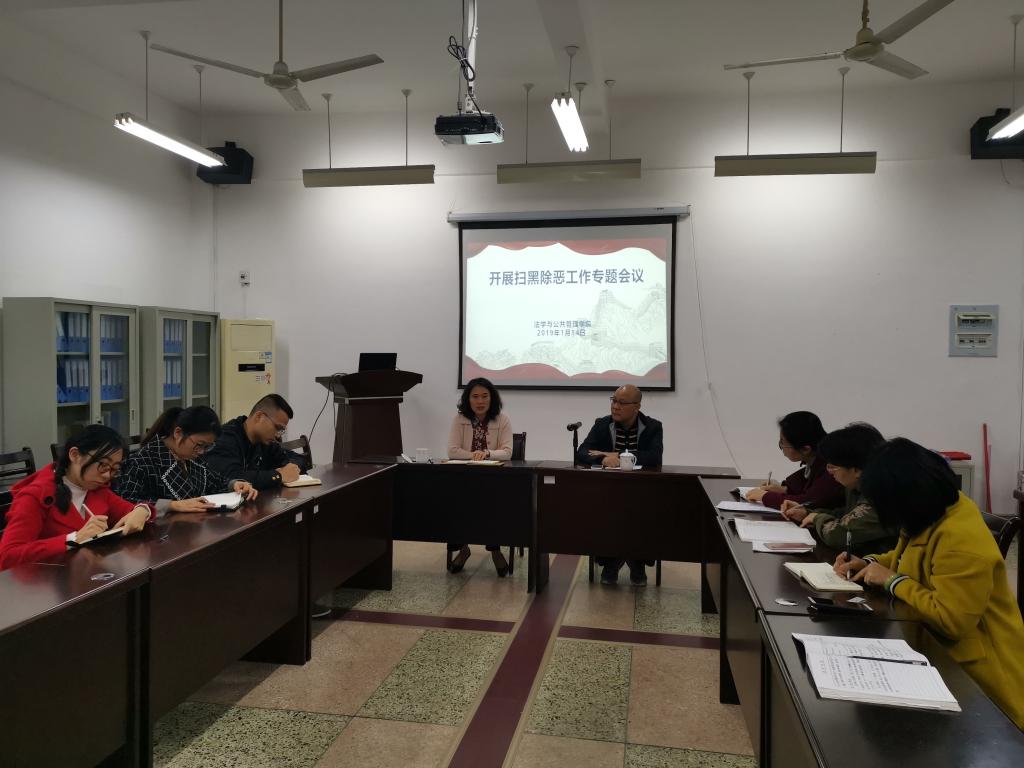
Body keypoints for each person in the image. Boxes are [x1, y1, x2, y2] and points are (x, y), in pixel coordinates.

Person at [834, 438, 1024, 729]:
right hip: (932, 646)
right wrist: (869, 562)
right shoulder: (931, 513)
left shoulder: (960, 539)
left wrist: (893, 581)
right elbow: (910, 558)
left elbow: (951, 620)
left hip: (979, 680)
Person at [0, 425, 153, 570]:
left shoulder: (96, 489)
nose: (107, 475)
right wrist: (73, 539)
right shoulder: (35, 496)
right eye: (103, 465)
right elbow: (7, 556)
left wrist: (142, 510)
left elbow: (130, 511)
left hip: (87, 575)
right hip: (46, 582)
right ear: (75, 455)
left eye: (114, 469)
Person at [576, 384, 664, 586]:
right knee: (605, 510)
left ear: (637, 407)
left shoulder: (652, 427)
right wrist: (603, 459)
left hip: (642, 491)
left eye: (622, 403)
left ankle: (637, 562)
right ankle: (611, 562)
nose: (615, 406)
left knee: (643, 511)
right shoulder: (602, 424)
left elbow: (654, 456)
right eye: (613, 400)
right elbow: (582, 452)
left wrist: (618, 455)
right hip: (608, 491)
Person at [780, 423, 897, 556]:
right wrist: (807, 513)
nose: (829, 472)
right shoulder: (858, 487)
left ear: (857, 470)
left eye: (832, 466)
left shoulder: (882, 497)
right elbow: (847, 515)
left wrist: (816, 518)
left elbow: (839, 535)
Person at [114, 405, 256, 512]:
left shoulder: (191, 457)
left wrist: (234, 485)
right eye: (199, 445)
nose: (201, 451)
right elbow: (128, 501)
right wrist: (172, 505)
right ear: (178, 433)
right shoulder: (141, 462)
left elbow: (215, 481)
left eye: (207, 447)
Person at [446, 377, 513, 577]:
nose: (480, 401)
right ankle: (463, 548)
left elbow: (507, 452)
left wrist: (487, 454)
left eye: (485, 396)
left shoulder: (502, 419)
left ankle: (495, 550)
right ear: (468, 399)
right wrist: (472, 455)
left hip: (493, 479)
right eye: (475, 397)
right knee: (454, 500)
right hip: (465, 478)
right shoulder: (459, 419)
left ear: (492, 398)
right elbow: (452, 451)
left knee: (492, 503)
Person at [203, 394, 308, 490]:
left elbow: (299, 459)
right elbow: (231, 478)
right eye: (277, 427)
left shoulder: (264, 441)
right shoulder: (226, 438)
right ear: (259, 417)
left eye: (281, 430)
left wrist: (289, 470)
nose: (278, 435)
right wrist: (278, 475)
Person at [746, 411, 844, 510]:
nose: (781, 447)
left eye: (783, 442)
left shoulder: (832, 467)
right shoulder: (818, 459)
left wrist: (765, 497)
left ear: (805, 449)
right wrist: (785, 490)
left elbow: (806, 502)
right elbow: (807, 489)